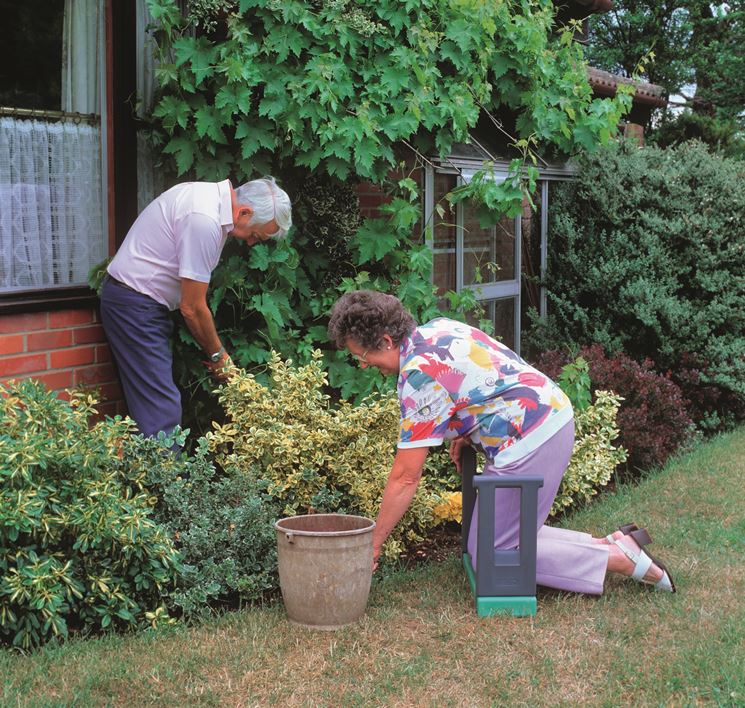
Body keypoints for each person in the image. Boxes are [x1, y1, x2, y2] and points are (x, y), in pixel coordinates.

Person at [327, 290, 675, 595]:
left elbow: (405, 476)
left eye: (363, 356)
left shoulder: (418, 375)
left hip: (532, 441)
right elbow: (481, 380)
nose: (364, 364)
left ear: (386, 341)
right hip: (549, 417)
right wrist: (466, 429)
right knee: (499, 542)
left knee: (493, 559)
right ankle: (608, 544)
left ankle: (617, 559)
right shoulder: (436, 330)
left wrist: (372, 545)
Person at [100, 177, 292, 439]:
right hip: (135, 305)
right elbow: (191, 307)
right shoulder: (204, 219)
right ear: (244, 212)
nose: (250, 243)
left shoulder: (207, 201)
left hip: (138, 302)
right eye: (255, 235)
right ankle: (166, 479)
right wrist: (219, 357)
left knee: (152, 405)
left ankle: (155, 474)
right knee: (160, 410)